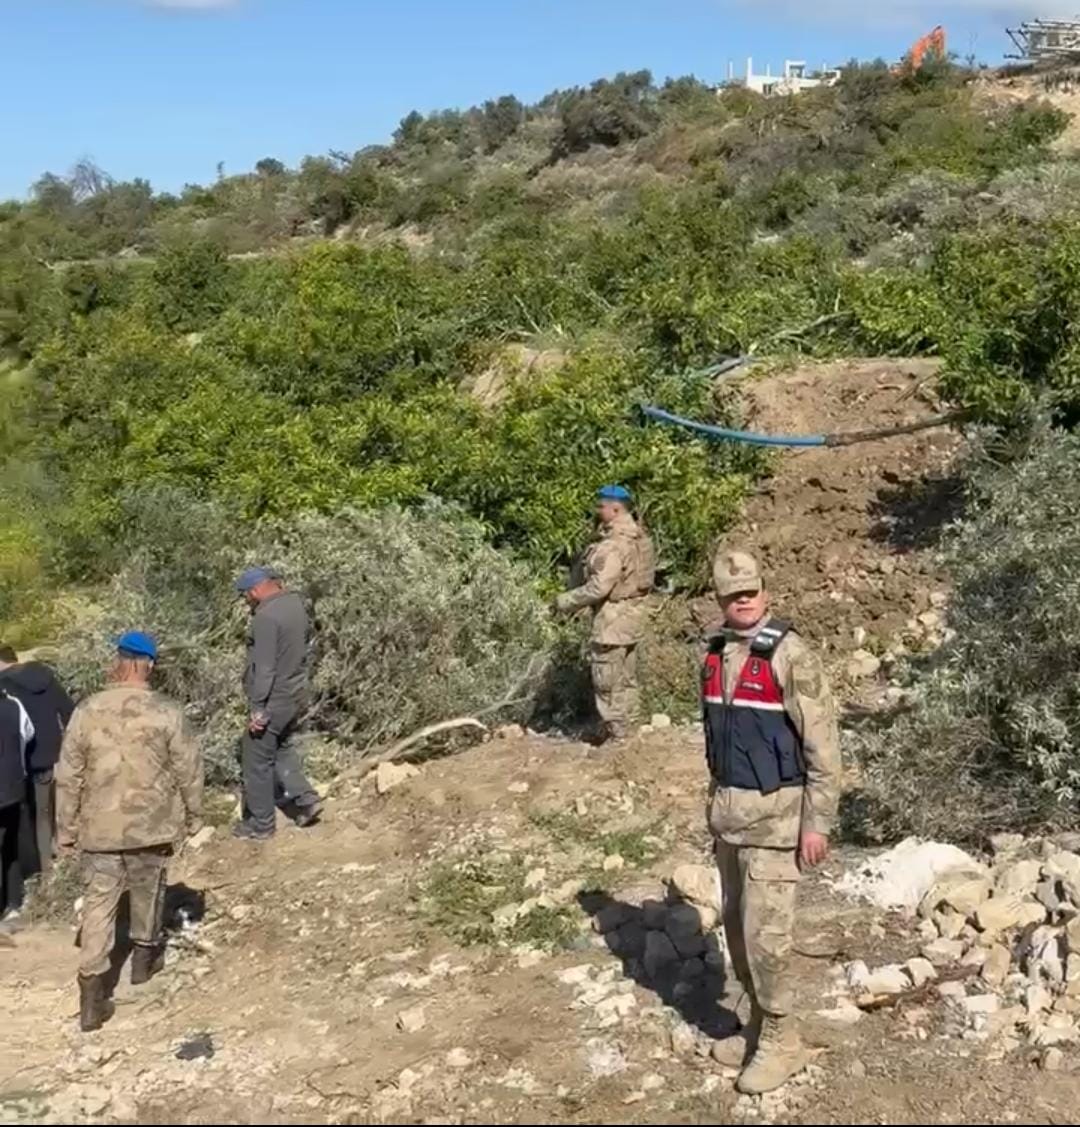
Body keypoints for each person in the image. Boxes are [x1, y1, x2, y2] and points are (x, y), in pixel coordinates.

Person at [702, 550, 840, 1095]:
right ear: (719, 599)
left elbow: (824, 747)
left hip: (779, 825)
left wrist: (818, 822)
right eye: (734, 594)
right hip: (731, 823)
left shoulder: (791, 655)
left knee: (768, 941)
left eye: (752, 591)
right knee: (736, 933)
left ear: (766, 592)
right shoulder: (715, 653)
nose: (744, 600)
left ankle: (784, 1039)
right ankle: (758, 1026)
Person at [56, 631, 203, 1032]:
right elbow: (188, 766)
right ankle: (143, 962)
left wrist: (64, 829)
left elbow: (68, 774)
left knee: (99, 905)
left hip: (99, 826)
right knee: (149, 890)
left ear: (118, 661)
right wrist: (195, 813)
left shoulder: (87, 709)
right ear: (149, 665)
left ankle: (92, 995)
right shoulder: (165, 710)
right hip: (150, 824)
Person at [553, 485, 656, 742]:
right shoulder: (640, 538)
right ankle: (632, 728)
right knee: (627, 677)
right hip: (633, 616)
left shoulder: (613, 545)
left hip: (612, 620)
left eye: (601, 506)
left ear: (615, 508)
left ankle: (617, 735)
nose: (597, 511)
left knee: (608, 680)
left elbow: (600, 586)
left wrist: (564, 601)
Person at [232, 567, 321, 841]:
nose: (247, 600)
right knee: (281, 746)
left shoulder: (266, 617)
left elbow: (265, 668)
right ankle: (305, 799)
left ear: (256, 590)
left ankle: (260, 824)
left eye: (247, 595)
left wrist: (258, 708)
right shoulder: (295, 604)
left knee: (255, 756)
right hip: (296, 690)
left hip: (275, 696)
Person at [0, 644, 76, 878]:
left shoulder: (4, 685)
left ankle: (38, 874)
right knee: (46, 814)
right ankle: (53, 866)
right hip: (52, 755)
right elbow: (69, 711)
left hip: (17, 762)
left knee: (24, 820)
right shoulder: (46, 676)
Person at [0, 687, 34, 921]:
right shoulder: (14, 705)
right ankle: (13, 903)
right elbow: (28, 733)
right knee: (10, 846)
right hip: (12, 786)